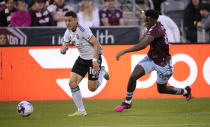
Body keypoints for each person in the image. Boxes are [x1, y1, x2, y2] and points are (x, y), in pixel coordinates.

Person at [114, 10, 192, 112]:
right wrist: (147, 30)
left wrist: (124, 51)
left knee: (161, 89)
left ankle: (185, 91)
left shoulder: (157, 29)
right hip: (151, 58)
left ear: (153, 20)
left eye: (147, 20)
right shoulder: (154, 25)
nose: (145, 22)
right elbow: (143, 39)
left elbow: (143, 45)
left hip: (163, 64)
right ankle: (127, 102)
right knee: (133, 76)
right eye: (145, 20)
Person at [60, 11, 110, 116]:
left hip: (93, 59)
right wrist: (63, 49)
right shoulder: (68, 32)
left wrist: (95, 61)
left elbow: (96, 44)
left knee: (92, 88)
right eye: (66, 21)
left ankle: (101, 71)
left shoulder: (83, 29)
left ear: (75, 20)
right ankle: (81, 111)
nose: (67, 23)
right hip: (82, 59)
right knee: (72, 83)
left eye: (69, 20)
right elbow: (64, 46)